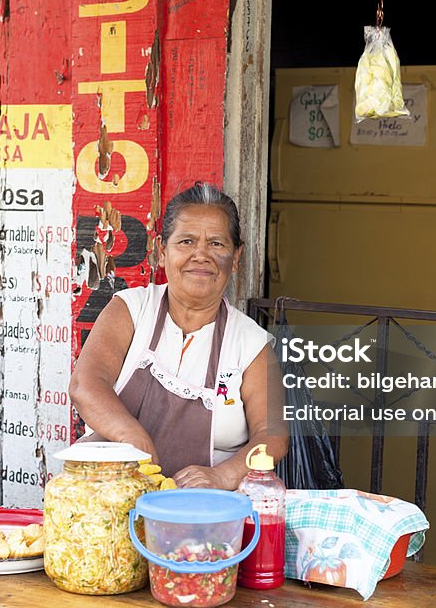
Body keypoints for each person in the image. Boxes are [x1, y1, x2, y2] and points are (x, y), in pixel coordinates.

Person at [69, 182, 288, 490]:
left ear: (236, 257)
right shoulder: (131, 309)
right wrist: (133, 438)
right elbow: (85, 385)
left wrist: (222, 475)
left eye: (217, 244)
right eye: (186, 241)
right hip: (107, 495)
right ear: (161, 251)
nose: (201, 255)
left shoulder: (251, 344)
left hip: (201, 511)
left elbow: (272, 434)